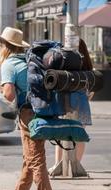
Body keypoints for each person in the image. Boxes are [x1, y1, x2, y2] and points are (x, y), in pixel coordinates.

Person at [0, 27, 55, 190]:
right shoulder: (31, 61)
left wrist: (3, 91)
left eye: (1, 44)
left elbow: (9, 94)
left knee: (36, 159)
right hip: (46, 110)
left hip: (28, 113)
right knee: (30, 156)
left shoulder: (9, 64)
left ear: (6, 46)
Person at [48, 38, 94, 172]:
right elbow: (91, 86)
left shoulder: (64, 61)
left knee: (61, 134)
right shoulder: (85, 63)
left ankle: (59, 164)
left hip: (64, 100)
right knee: (79, 134)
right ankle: (75, 165)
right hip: (81, 102)